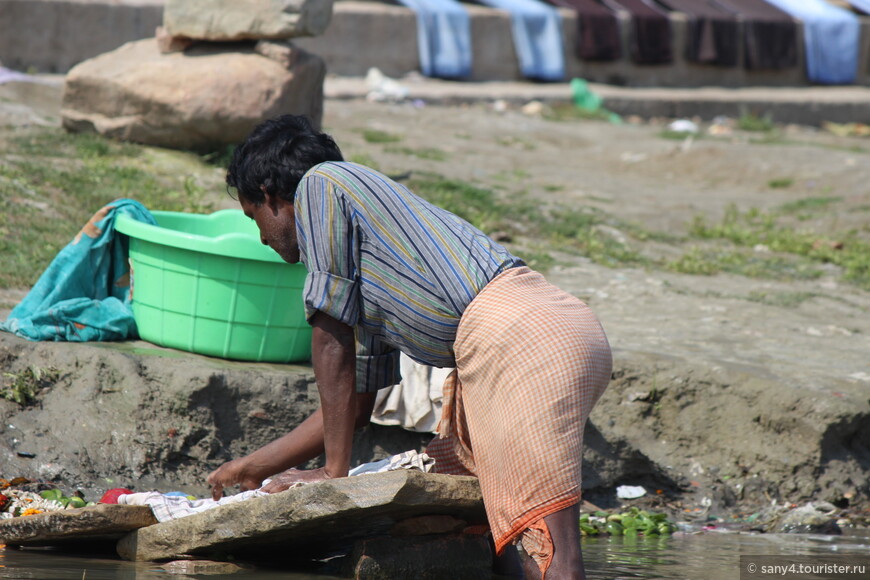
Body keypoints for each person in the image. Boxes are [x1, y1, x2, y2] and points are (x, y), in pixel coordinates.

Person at [207, 114, 612, 579]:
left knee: (552, 553)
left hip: (523, 341)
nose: (260, 235)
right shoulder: (366, 252)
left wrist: (333, 473)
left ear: (271, 195)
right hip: (534, 335)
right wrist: (253, 467)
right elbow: (355, 402)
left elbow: (330, 335)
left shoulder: (320, 185)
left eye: (252, 215)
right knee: (496, 538)